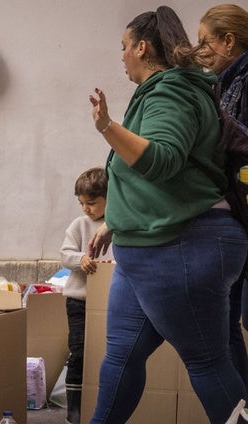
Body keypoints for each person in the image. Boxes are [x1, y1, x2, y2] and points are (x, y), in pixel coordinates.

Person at [87, 6, 248, 423]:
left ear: (141, 48)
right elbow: (152, 181)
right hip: (147, 250)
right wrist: (114, 222)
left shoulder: (170, 90)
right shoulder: (164, 91)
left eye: (123, 47)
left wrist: (107, 126)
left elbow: (163, 160)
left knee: (208, 362)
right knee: (122, 354)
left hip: (179, 247)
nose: (120, 55)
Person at [196, 3, 248, 390]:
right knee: (229, 321)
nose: (200, 52)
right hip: (238, 218)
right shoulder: (225, 83)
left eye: (205, 42)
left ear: (229, 41)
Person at [59, 166, 114, 424]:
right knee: (79, 351)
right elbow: (64, 254)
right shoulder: (80, 225)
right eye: (81, 203)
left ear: (110, 197)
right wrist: (80, 259)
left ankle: (101, 402)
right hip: (79, 301)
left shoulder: (118, 225)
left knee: (106, 352)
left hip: (110, 302)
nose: (85, 208)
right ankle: (74, 408)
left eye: (91, 203)